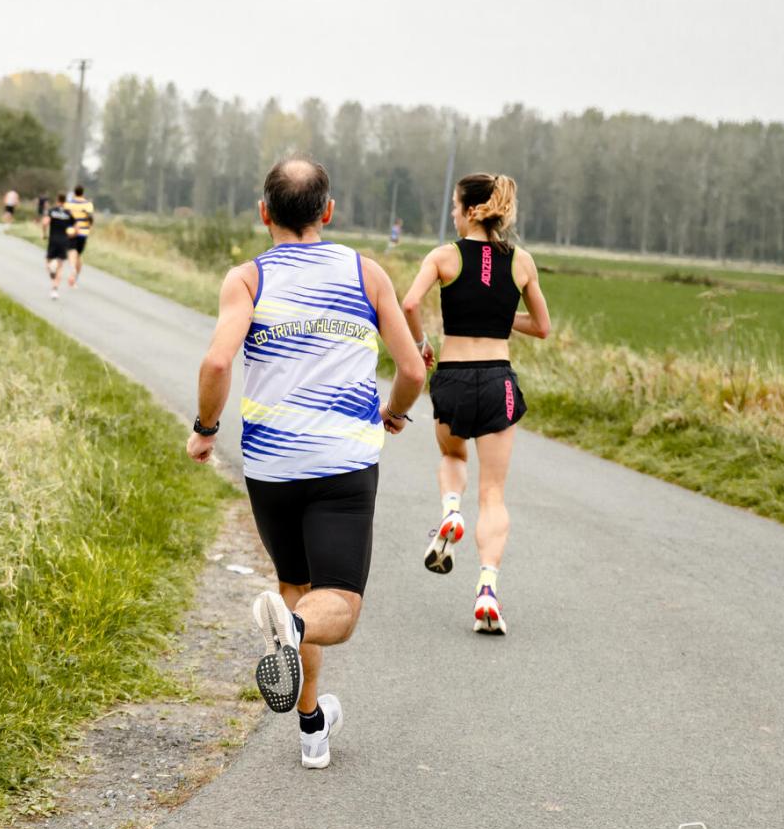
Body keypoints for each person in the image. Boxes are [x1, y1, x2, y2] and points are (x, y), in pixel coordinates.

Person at [188, 158, 425, 769]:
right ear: (329, 210)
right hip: (342, 464)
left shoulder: (247, 279)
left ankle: (313, 729)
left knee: (295, 590)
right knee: (336, 607)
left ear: (263, 212)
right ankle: (290, 632)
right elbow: (412, 369)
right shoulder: (365, 272)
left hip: (270, 467)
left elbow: (217, 363)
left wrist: (206, 430)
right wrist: (395, 413)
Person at [401, 173, 552, 635]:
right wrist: (502, 316)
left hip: (452, 378)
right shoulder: (521, 261)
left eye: (454, 206)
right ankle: (487, 589)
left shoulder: (444, 256)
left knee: (452, 456)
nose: (452, 213)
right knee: (493, 494)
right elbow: (542, 327)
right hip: (498, 381)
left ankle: (450, 511)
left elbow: (409, 304)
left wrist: (422, 344)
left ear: (469, 211)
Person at [41, 194, 75, 299]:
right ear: (65, 202)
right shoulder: (68, 213)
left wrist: (44, 233)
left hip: (53, 240)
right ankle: (55, 290)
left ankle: (51, 269)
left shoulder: (52, 211)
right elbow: (75, 228)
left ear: (57, 200)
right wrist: (71, 235)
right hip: (64, 241)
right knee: (60, 267)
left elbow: (45, 223)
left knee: (48, 260)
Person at [64, 184, 95, 288]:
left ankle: (72, 269)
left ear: (74, 192)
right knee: (78, 255)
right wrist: (90, 227)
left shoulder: (68, 204)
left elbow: (65, 217)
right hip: (84, 232)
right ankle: (75, 278)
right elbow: (90, 217)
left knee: (71, 251)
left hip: (71, 231)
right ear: (82, 193)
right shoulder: (88, 204)